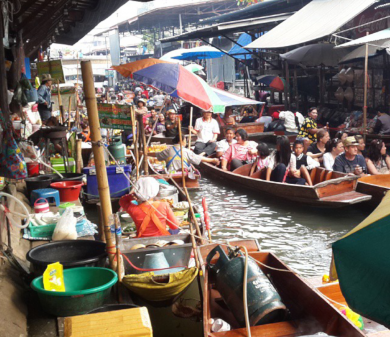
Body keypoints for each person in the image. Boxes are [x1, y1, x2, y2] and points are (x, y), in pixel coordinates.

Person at [150, 134, 220, 171]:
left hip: (171, 173)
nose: (186, 142)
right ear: (181, 141)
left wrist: (145, 153)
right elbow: (199, 158)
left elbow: (156, 154)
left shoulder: (168, 150)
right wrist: (212, 160)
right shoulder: (186, 151)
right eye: (185, 140)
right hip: (184, 173)